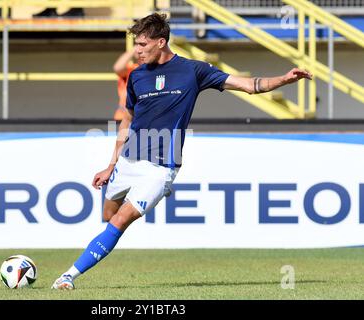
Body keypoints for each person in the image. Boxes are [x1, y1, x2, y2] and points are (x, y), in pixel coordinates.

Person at [51, 13, 312, 290]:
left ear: (161, 42)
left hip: (160, 167)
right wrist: (111, 164)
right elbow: (127, 120)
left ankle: (67, 277)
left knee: (119, 221)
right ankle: (129, 207)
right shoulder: (137, 76)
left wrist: (283, 80)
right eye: (135, 45)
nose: (137, 51)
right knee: (108, 216)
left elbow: (248, 85)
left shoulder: (193, 71)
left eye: (142, 44)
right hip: (128, 160)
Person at [112, 50, 140, 121]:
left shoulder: (157, 70)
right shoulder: (132, 69)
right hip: (124, 119)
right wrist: (134, 49)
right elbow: (118, 68)